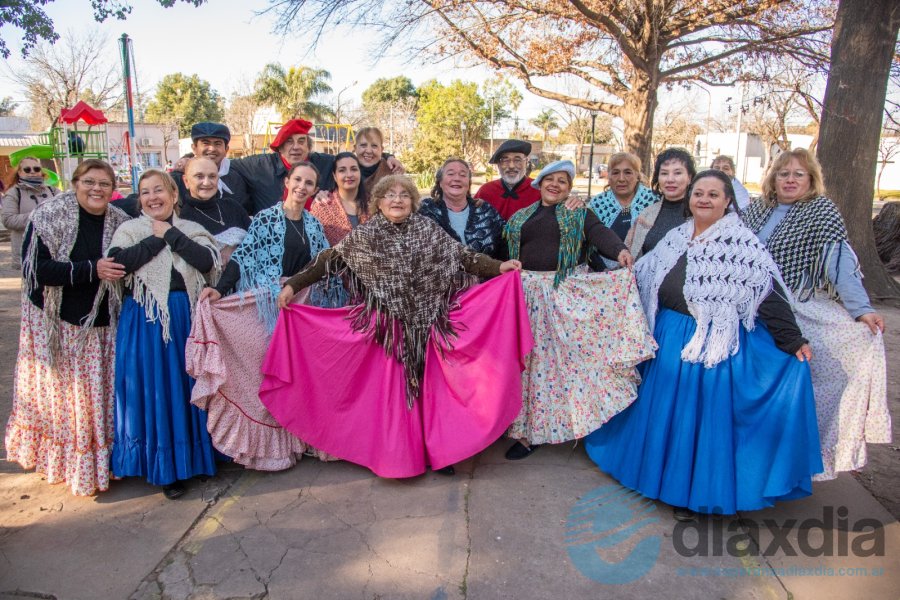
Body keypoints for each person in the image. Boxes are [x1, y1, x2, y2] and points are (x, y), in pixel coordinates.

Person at [585, 170, 822, 519]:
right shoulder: (677, 236)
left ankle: (697, 492)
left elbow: (766, 293)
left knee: (697, 424)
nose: (704, 200)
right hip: (667, 337)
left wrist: (792, 340)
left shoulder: (739, 244)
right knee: (661, 416)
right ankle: (659, 479)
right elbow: (642, 275)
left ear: (728, 201)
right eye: (699, 193)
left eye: (713, 194)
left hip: (707, 345)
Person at [260, 175, 531, 478]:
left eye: (404, 194)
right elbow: (327, 261)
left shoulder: (427, 229)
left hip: (429, 324)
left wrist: (499, 267)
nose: (397, 200)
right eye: (390, 194)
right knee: (398, 398)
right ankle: (399, 456)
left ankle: (440, 453)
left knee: (431, 394)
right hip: (386, 331)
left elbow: (462, 257)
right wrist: (293, 286)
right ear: (378, 201)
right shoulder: (366, 235)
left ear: (413, 202)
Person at [743, 148, 890, 481]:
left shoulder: (821, 211)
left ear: (811, 180)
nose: (790, 179)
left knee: (823, 364)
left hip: (797, 301)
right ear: (773, 177)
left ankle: (807, 456)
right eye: (784, 173)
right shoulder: (756, 210)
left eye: (798, 174)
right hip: (749, 302)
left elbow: (840, 266)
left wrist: (861, 310)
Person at [502, 160, 655, 460]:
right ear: (540, 183)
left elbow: (599, 233)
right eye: (550, 179)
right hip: (526, 297)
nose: (555, 185)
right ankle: (525, 429)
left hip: (563, 296)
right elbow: (502, 248)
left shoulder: (578, 212)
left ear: (569, 188)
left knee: (560, 364)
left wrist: (620, 251)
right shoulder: (520, 218)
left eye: (562, 181)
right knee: (529, 364)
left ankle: (560, 425)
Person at [187, 162, 332, 471]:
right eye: (298, 180)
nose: (302, 186)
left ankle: (300, 441)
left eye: (309, 182)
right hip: (268, 304)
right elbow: (243, 257)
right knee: (266, 373)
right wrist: (220, 290)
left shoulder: (315, 225)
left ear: (313, 189)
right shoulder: (266, 219)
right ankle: (269, 450)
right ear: (288, 182)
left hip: (301, 308)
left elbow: (323, 268)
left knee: (298, 376)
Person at [5, 159, 130, 496]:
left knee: (98, 399)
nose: (97, 189)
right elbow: (37, 270)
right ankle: (73, 467)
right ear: (75, 182)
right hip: (60, 323)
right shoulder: (48, 215)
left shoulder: (120, 220)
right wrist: (92, 269)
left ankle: (106, 463)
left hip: (104, 321)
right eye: (89, 182)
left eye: (104, 184)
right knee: (73, 400)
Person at [107, 169, 220, 499]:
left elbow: (204, 262)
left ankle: (193, 459)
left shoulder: (191, 230)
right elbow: (120, 263)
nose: (153, 197)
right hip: (145, 321)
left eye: (159, 190)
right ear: (139, 199)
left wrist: (171, 235)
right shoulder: (129, 230)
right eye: (145, 192)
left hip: (186, 319)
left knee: (186, 388)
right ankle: (165, 469)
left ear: (173, 195)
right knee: (156, 389)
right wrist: (156, 237)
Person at [231, 119, 403, 215]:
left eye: (301, 141)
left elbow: (355, 162)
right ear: (281, 147)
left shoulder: (325, 163)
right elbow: (227, 167)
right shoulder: (261, 165)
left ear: (309, 146)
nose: (295, 147)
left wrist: (387, 157)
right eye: (289, 142)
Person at [418, 158, 505, 258]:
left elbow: (504, 243)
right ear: (440, 182)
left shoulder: (485, 210)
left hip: (489, 272)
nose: (457, 179)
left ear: (468, 183)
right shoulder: (426, 210)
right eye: (450, 174)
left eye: (463, 175)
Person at [587, 152, 659, 269]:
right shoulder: (597, 205)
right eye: (615, 173)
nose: (621, 179)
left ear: (637, 176)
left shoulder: (653, 201)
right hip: (604, 277)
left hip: (647, 273)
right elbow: (588, 246)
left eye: (628, 172)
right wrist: (604, 271)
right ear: (608, 176)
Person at [625, 148, 696, 260]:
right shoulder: (647, 214)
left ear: (690, 177)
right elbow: (630, 255)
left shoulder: (698, 214)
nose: (670, 179)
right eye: (664, 173)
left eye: (677, 173)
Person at [178, 157, 251, 263]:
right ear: (186, 181)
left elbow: (256, 238)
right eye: (199, 176)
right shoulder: (185, 220)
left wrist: (234, 248)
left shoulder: (232, 206)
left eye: (212, 176)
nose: (207, 183)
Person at [1, 156, 59, 269]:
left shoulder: (53, 191)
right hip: (27, 252)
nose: (32, 172)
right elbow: (8, 220)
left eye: (37, 169)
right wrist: (38, 216)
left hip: (53, 251)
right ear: (19, 173)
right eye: (27, 169)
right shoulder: (14, 193)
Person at [309, 152, 370, 246]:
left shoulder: (374, 204)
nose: (349, 174)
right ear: (334, 176)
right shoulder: (322, 207)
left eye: (354, 169)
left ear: (360, 172)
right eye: (342, 170)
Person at [474, 139, 541, 220]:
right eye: (505, 160)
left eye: (517, 160)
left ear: (526, 162)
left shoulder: (538, 189)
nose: (511, 166)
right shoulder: (486, 191)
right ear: (498, 165)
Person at [354, 127, 397, 196]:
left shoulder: (393, 173)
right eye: (363, 145)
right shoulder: (345, 171)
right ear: (355, 148)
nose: (368, 151)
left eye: (374, 146)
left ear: (381, 149)